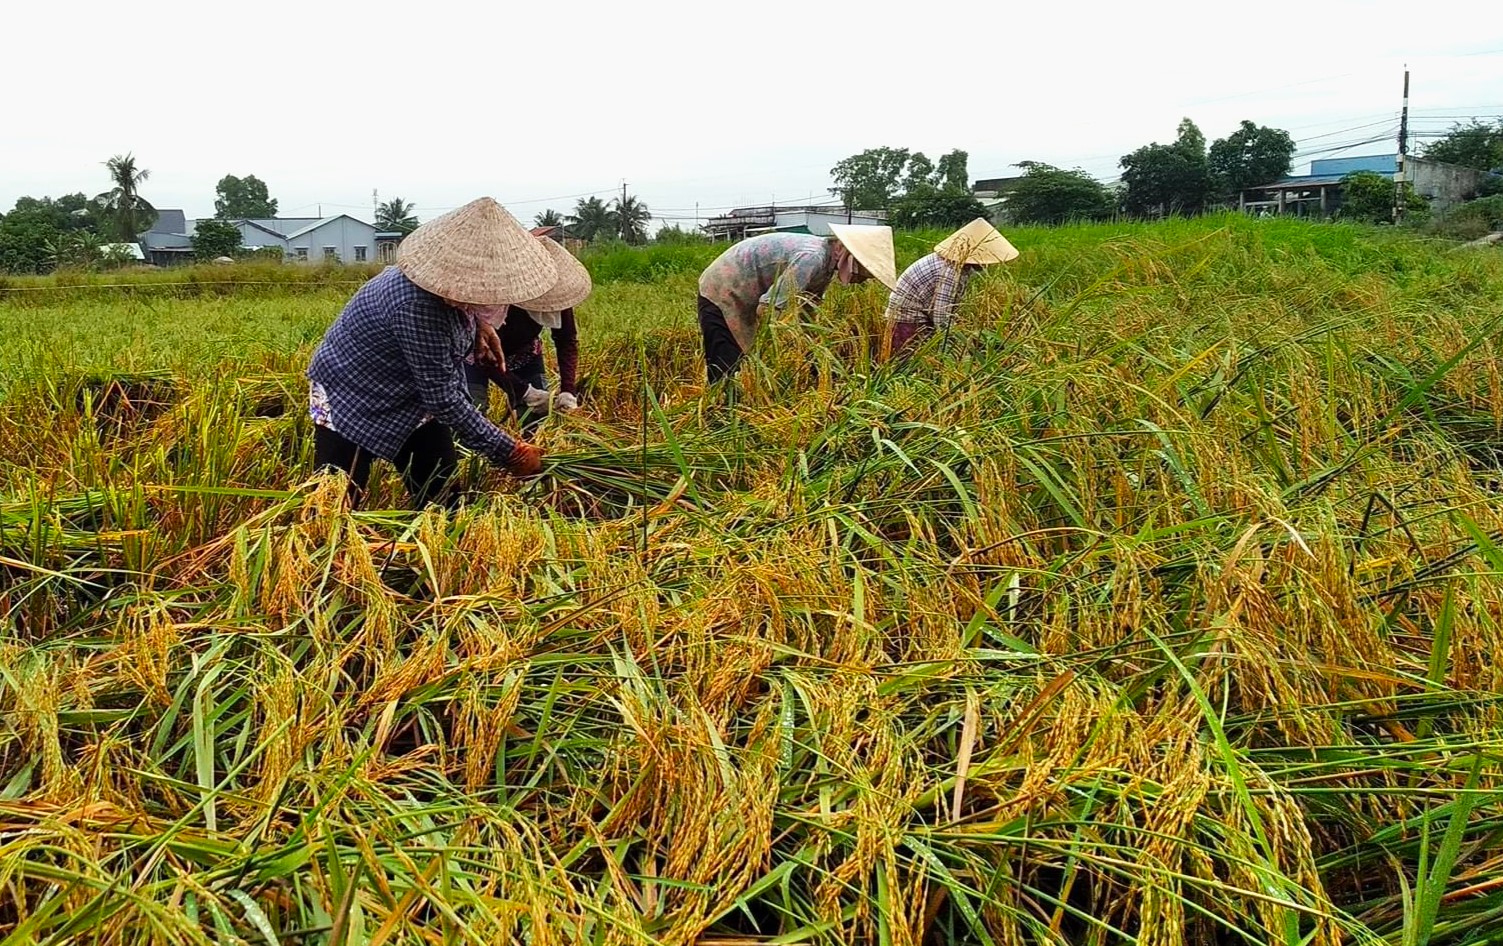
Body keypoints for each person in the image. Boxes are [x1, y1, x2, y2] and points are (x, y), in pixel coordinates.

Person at [306, 197, 558, 508]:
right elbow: (443, 398)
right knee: (334, 503)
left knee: (442, 500)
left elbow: (458, 315)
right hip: (351, 395)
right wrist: (509, 452)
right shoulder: (418, 306)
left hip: (410, 396)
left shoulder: (446, 294)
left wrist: (478, 325)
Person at [696, 225, 896, 383]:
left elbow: (807, 309)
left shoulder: (825, 264)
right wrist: (788, 344)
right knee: (728, 362)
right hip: (724, 291)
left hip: (748, 294)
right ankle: (719, 413)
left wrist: (813, 349)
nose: (862, 278)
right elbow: (768, 309)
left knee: (748, 362)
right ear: (850, 255)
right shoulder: (812, 258)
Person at [464, 236, 590, 436]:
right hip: (474, 356)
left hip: (525, 353)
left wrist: (568, 389)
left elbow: (566, 340)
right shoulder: (495, 297)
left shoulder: (558, 296)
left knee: (535, 421)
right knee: (472, 412)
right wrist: (524, 392)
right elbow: (481, 354)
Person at [885, 218, 1018, 358]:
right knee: (910, 362)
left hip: (922, 313)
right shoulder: (950, 271)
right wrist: (957, 346)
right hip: (907, 318)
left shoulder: (961, 267)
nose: (987, 264)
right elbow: (941, 317)